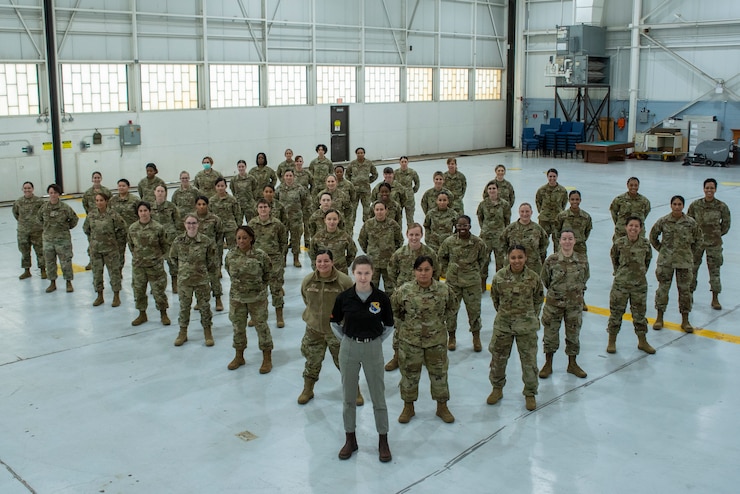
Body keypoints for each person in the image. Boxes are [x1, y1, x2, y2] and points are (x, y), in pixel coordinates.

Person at [330, 256, 394, 462]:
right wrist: (349, 340)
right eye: (359, 273)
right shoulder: (344, 297)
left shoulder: (382, 298)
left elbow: (389, 325)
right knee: (348, 397)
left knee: (378, 397)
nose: (363, 277)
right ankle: (350, 439)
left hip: (373, 348)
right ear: (353, 274)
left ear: (373, 273)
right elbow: (334, 322)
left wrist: (374, 341)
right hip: (349, 348)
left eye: (367, 273)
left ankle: (383, 440)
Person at [391, 256, 457, 424]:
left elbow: (452, 308)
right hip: (411, 342)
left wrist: (438, 324)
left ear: (433, 270)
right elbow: (396, 310)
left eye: (427, 269)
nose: (423, 273)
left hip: (436, 342)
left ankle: (442, 406)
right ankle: (408, 406)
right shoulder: (404, 290)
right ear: (414, 271)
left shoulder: (443, 290)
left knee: (439, 375)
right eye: (419, 270)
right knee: (409, 375)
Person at [487, 245, 544, 411]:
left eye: (520, 257)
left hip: (526, 326)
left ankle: (530, 393)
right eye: (513, 257)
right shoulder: (499, 277)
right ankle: (497, 389)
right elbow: (495, 299)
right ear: (508, 258)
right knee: (498, 359)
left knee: (529, 362)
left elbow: (538, 300)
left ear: (525, 258)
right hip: (504, 325)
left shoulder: (533, 278)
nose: (517, 261)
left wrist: (529, 316)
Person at [298, 249, 355, 405]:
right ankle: (308, 389)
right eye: (319, 261)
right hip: (314, 330)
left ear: (332, 262)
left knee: (344, 362)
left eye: (326, 261)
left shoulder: (344, 282)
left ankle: (354, 390)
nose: (322, 264)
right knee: (312, 361)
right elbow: (306, 299)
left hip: (336, 331)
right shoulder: (308, 281)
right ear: (315, 263)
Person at [386, 223, 439, 371]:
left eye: (417, 234)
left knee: (425, 326)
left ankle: (424, 356)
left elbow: (436, 270)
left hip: (425, 296)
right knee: (400, 326)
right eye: (411, 235)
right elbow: (391, 271)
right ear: (407, 235)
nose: (414, 238)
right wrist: (400, 286)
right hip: (405, 298)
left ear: (421, 235)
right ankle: (397, 356)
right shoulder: (399, 253)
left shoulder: (429, 253)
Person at [538, 230, 590, 379]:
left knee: (573, 334)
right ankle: (548, 363)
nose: (567, 242)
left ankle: (572, 363)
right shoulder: (551, 260)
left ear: (574, 241)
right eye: (564, 239)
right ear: (559, 241)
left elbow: (585, 277)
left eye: (570, 239)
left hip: (574, 305)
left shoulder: (582, 260)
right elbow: (545, 279)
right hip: (554, 305)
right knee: (550, 334)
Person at [649, 195, 703, 332]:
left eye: (679, 204)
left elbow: (699, 240)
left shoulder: (691, 223)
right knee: (662, 290)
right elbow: (653, 236)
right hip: (666, 262)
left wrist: (690, 254)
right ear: (671, 205)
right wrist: (662, 250)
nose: (677, 206)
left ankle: (685, 320)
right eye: (675, 204)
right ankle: (659, 318)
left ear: (683, 206)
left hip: (684, 263)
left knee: (685, 292)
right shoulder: (664, 221)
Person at [225, 225, 274, 373]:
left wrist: (258, 288)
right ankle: (239, 356)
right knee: (238, 327)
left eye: (244, 238)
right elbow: (228, 271)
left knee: (261, 327)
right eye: (239, 238)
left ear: (251, 238)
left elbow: (267, 274)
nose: (241, 241)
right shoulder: (230, 255)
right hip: (237, 299)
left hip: (257, 299)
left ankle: (267, 357)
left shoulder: (260, 255)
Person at [438, 215, 489, 352]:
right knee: (451, 312)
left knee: (474, 311)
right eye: (459, 225)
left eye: (465, 225)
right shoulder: (449, 242)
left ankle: (476, 337)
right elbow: (442, 257)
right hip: (453, 283)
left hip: (472, 283)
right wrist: (448, 270)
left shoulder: (478, 243)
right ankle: (452, 337)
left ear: (470, 226)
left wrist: (473, 270)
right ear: (456, 226)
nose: (462, 228)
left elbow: (483, 259)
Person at [606, 217, 656, 355]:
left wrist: (638, 274)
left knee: (639, 315)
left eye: (636, 226)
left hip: (639, 285)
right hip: (620, 285)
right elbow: (614, 258)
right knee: (616, 313)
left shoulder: (645, 244)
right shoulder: (619, 243)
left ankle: (642, 341)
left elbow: (647, 261)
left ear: (640, 228)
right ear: (626, 227)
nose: (633, 228)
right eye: (631, 225)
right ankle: (611, 341)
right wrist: (620, 273)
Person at [170, 214, 218, 348]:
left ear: (198, 224)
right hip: (184, 281)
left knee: (204, 307)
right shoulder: (178, 241)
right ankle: (182, 332)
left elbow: (211, 260)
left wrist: (203, 271)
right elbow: (172, 257)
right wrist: (183, 270)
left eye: (194, 223)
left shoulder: (205, 241)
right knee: (184, 307)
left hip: (201, 280)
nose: (191, 226)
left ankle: (207, 332)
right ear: (184, 224)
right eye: (188, 223)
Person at [687, 178, 732, 310]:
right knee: (692, 269)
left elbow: (726, 224)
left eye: (712, 188)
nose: (709, 190)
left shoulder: (721, 206)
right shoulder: (695, 205)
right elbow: (689, 222)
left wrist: (716, 234)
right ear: (703, 189)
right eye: (707, 188)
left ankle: (715, 298)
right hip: (697, 243)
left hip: (714, 244)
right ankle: (689, 295)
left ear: (715, 190)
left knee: (715, 271)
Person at [127, 201, 170, 327]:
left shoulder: (158, 228)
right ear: (138, 213)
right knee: (139, 290)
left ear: (150, 211)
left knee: (159, 291)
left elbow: (164, 245)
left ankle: (163, 313)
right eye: (140, 211)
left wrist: (155, 257)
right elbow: (131, 245)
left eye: (145, 210)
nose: (143, 213)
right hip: (139, 266)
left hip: (155, 265)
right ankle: (142, 314)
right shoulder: (132, 228)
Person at [83, 192, 127, 307]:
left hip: (110, 250)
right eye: (97, 200)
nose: (99, 202)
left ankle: (116, 296)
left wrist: (114, 241)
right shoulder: (91, 215)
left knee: (114, 273)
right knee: (97, 274)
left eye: (101, 200)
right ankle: (99, 296)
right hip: (96, 250)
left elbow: (122, 229)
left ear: (106, 201)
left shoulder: (113, 215)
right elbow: (86, 229)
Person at [249, 199, 288, 328]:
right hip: (257, 260)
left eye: (265, 206)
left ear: (270, 208)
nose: (263, 209)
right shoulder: (252, 224)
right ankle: (256, 316)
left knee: (276, 288)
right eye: (260, 207)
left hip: (274, 260)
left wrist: (280, 257)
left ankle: (279, 315)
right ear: (257, 209)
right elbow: (248, 242)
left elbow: (283, 241)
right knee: (257, 289)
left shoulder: (277, 224)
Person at [555, 190, 593, 310]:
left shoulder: (586, 217)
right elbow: (557, 231)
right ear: (569, 200)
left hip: (580, 248)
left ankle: (580, 299)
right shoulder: (562, 216)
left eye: (577, 199)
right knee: (562, 273)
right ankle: (560, 298)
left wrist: (579, 240)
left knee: (581, 274)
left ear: (580, 200)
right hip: (564, 248)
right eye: (572, 199)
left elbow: (587, 232)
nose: (575, 202)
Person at [38, 184, 79, 293]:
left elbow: (74, 219)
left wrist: (66, 228)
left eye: (55, 193)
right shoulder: (44, 208)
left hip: (63, 240)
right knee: (50, 262)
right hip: (48, 240)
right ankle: (52, 283)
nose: (53, 195)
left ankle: (68, 282)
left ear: (59, 194)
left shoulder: (65, 208)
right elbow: (39, 219)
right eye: (51, 193)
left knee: (66, 262)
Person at [358, 201, 404, 294]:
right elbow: (362, 240)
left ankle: (389, 307)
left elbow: (399, 240)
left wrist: (393, 253)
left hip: (389, 263)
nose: (379, 212)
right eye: (377, 209)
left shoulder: (393, 224)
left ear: (386, 210)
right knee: (371, 288)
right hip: (373, 262)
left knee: (390, 290)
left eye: (381, 209)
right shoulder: (368, 224)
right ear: (374, 211)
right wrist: (369, 251)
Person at [476, 180, 512, 285]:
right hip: (486, 237)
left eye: (494, 188)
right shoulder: (483, 204)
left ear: (498, 190)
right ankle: (482, 283)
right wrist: (485, 229)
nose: (492, 191)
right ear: (487, 191)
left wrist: (502, 232)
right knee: (484, 261)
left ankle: (499, 284)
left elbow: (507, 220)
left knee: (501, 262)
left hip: (499, 237)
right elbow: (480, 218)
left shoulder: (504, 204)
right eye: (490, 189)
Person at [194, 195, 225, 311]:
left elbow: (220, 234)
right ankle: (199, 300)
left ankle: (218, 299)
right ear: (195, 205)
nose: (201, 207)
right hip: (196, 254)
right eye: (199, 204)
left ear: (208, 205)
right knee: (198, 278)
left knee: (214, 277)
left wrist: (216, 249)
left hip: (211, 253)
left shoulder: (214, 219)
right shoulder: (192, 219)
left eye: (204, 204)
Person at [501, 203, 549, 275]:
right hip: (514, 265)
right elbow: (502, 243)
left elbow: (544, 244)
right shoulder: (510, 228)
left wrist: (535, 256)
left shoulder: (538, 229)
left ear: (531, 212)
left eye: (527, 211)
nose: (524, 214)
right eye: (522, 211)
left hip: (533, 266)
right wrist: (509, 256)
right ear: (519, 212)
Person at [276, 169, 310, 267]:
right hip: (283, 220)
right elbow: (276, 203)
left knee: (296, 239)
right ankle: (284, 259)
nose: (289, 177)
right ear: (284, 177)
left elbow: (304, 201)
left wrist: (300, 213)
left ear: (293, 177)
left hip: (296, 219)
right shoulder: (279, 189)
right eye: (287, 176)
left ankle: (296, 259)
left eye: (290, 175)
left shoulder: (299, 188)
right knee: (283, 240)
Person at [151, 185, 182, 293]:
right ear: (154, 192)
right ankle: (157, 286)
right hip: (155, 240)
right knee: (155, 264)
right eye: (158, 191)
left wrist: (179, 237)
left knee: (172, 262)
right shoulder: (150, 207)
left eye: (162, 191)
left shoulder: (171, 206)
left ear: (165, 193)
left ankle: (175, 283)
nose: (160, 193)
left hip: (169, 239)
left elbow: (178, 222)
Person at [13, 181, 45, 280]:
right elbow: (16, 214)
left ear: (32, 189)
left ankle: (43, 270)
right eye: (25, 188)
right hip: (23, 232)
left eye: (29, 188)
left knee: (40, 251)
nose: (27, 190)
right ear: (22, 189)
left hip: (37, 231)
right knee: (24, 251)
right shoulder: (18, 202)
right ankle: (27, 271)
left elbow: (43, 214)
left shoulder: (39, 201)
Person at [309, 209, 357, 273]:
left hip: (340, 271)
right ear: (325, 220)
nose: (332, 222)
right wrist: (317, 266)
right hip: (323, 271)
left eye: (334, 219)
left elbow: (352, 251)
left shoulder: (344, 236)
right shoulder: (317, 237)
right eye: (329, 219)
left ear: (338, 220)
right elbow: (312, 252)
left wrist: (345, 263)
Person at [81, 171, 112, 270]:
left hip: (105, 219)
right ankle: (92, 261)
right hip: (93, 220)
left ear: (101, 179)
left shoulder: (106, 191)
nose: (96, 179)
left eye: (98, 177)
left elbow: (111, 204)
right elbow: (85, 204)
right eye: (95, 177)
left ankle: (108, 262)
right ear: (92, 179)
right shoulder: (87, 193)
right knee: (91, 242)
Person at [535, 168, 568, 250]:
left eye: (554, 176)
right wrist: (542, 212)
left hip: (557, 220)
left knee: (557, 241)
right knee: (542, 241)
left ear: (557, 177)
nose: (552, 178)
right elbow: (538, 201)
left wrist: (559, 212)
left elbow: (564, 203)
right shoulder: (542, 190)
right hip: (544, 220)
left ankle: (556, 260)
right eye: (550, 176)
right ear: (547, 177)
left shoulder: (562, 190)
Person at [610, 177, 651, 241]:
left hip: (638, 233)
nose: (633, 187)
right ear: (627, 185)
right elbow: (613, 212)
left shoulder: (644, 201)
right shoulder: (619, 199)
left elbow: (646, 212)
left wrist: (638, 223)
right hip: (622, 232)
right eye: (631, 185)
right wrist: (619, 224)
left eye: (636, 185)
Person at [209, 177, 242, 254]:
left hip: (231, 228)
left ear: (226, 186)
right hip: (217, 229)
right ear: (215, 187)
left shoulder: (232, 199)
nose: (220, 188)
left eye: (222, 186)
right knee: (217, 251)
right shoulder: (211, 200)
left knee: (234, 250)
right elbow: (209, 215)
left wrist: (238, 227)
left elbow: (238, 214)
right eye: (218, 186)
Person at [346, 147, 378, 221]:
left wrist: (368, 181)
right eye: (358, 153)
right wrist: (351, 182)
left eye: (361, 153)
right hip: (355, 190)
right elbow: (347, 174)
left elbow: (375, 174)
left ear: (364, 154)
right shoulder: (352, 163)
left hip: (365, 190)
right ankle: (351, 229)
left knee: (367, 211)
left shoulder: (369, 163)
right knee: (353, 210)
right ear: (356, 154)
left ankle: (366, 227)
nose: (360, 154)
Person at [293, 155, 315, 247]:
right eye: (297, 161)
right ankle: (294, 241)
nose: (299, 163)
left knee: (307, 222)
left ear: (302, 162)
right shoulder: (291, 173)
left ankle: (307, 241)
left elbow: (313, 184)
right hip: (295, 202)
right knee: (295, 222)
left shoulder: (307, 173)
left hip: (306, 201)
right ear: (295, 163)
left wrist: (309, 194)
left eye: (300, 161)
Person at [394, 156, 420, 229]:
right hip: (399, 198)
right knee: (398, 218)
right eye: (402, 162)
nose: (404, 163)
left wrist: (412, 191)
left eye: (405, 162)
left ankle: (411, 235)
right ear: (399, 163)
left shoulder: (412, 172)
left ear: (408, 162)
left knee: (410, 219)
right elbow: (392, 183)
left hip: (409, 199)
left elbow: (417, 183)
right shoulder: (395, 173)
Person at [230, 159, 256, 224]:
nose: (241, 168)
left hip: (249, 204)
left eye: (242, 166)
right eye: (239, 167)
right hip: (238, 205)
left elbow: (254, 188)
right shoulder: (234, 179)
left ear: (245, 167)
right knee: (238, 223)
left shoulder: (251, 178)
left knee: (251, 223)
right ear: (237, 167)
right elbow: (233, 190)